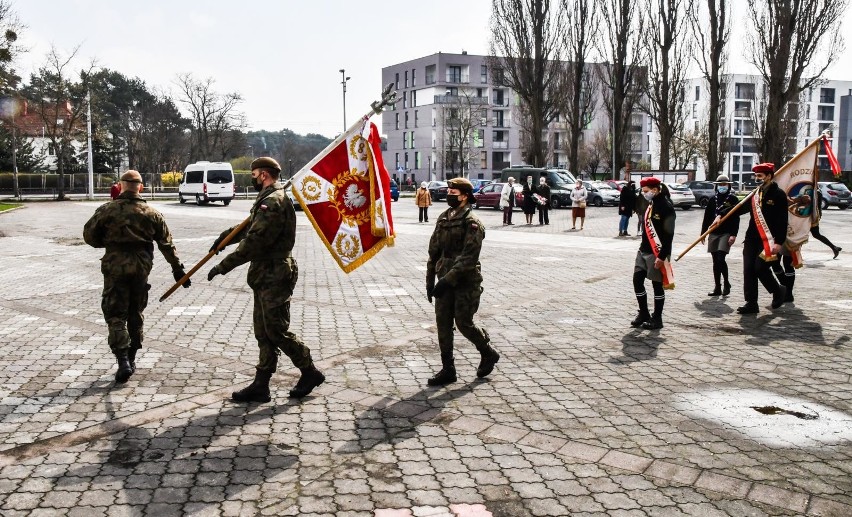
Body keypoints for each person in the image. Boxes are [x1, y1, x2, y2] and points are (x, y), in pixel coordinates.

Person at [207, 157, 324, 402]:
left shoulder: (272, 201)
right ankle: (261, 385)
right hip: (264, 274)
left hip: (275, 273)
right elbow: (249, 228)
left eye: (254, 174)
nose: (252, 178)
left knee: (276, 331)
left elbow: (254, 242)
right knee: (263, 331)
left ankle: (309, 371)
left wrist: (223, 265)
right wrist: (225, 238)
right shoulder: (267, 199)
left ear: (263, 175)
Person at [83, 170, 190, 384]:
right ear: (140, 187)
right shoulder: (152, 213)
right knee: (135, 312)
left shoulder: (107, 210)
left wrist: (111, 241)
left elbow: (90, 237)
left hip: (115, 267)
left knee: (115, 315)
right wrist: (178, 270)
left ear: (121, 186)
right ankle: (132, 358)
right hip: (141, 268)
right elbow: (166, 245)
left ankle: (122, 360)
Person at [426, 177, 499, 386]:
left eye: (453, 194)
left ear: (465, 196)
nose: (449, 196)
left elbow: (469, 257)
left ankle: (487, 352)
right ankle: (448, 369)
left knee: (464, 323)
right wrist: (430, 281)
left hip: (466, 281)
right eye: (448, 193)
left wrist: (447, 280)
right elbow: (433, 252)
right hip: (444, 280)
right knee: (442, 323)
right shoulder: (443, 218)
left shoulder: (472, 223)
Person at [733, 163, 789, 314]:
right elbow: (738, 209)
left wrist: (779, 242)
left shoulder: (779, 195)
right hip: (751, 238)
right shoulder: (755, 194)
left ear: (769, 176)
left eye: (760, 176)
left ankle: (778, 290)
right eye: (755, 176)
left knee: (760, 267)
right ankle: (751, 303)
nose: (756, 179)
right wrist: (720, 216)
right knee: (749, 269)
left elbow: (783, 220)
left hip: (769, 240)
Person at [631, 177, 675, 330]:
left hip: (657, 253)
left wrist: (662, 257)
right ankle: (644, 313)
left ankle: (657, 318)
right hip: (643, 250)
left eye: (646, 191)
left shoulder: (666, 206)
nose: (644, 194)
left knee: (657, 285)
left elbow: (669, 236)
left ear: (655, 190)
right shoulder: (652, 204)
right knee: (637, 281)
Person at [700, 175, 740, 296]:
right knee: (715, 261)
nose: (722, 187)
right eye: (720, 185)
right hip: (713, 233)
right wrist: (703, 233)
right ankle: (717, 287)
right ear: (717, 186)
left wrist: (733, 235)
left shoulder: (733, 199)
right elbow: (707, 217)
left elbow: (736, 219)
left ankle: (727, 282)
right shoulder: (713, 199)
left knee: (721, 259)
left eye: (725, 185)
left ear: (729, 185)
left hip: (726, 233)